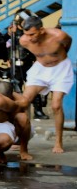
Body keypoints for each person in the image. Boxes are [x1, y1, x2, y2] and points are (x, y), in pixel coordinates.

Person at [17, 15, 73, 153]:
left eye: (32, 34)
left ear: (41, 30)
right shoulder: (24, 41)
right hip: (40, 69)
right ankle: (23, 140)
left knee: (56, 105)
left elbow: (68, 43)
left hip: (60, 68)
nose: (29, 38)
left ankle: (58, 142)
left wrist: (58, 56)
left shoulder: (59, 36)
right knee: (24, 101)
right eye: (26, 34)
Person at [7, 9, 49, 119]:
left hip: (29, 63)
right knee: (16, 87)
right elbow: (9, 48)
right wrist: (12, 34)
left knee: (34, 86)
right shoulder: (13, 34)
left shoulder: (30, 34)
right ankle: (16, 111)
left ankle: (38, 111)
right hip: (16, 64)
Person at [0, 82, 32, 163]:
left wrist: (9, 105)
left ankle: (23, 150)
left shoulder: (16, 99)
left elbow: (25, 102)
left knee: (23, 117)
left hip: (9, 126)